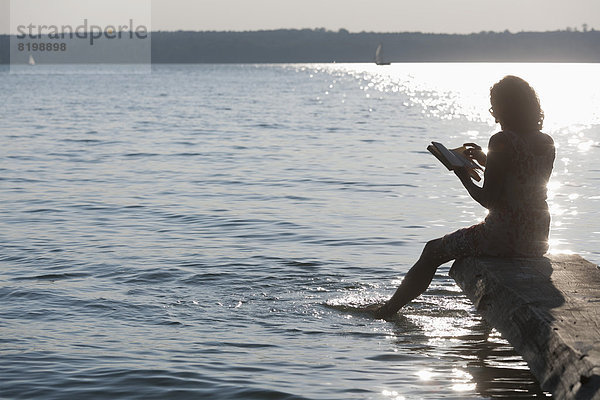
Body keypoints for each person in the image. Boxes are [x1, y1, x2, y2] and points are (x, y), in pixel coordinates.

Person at [372, 75, 555, 319]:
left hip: (503, 236)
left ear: (504, 108)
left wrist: (460, 173)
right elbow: (522, 178)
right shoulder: (546, 141)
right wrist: (486, 159)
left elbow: (488, 200)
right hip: (537, 236)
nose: (494, 115)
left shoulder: (501, 140)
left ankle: (386, 311)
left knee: (431, 251)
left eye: (495, 108)